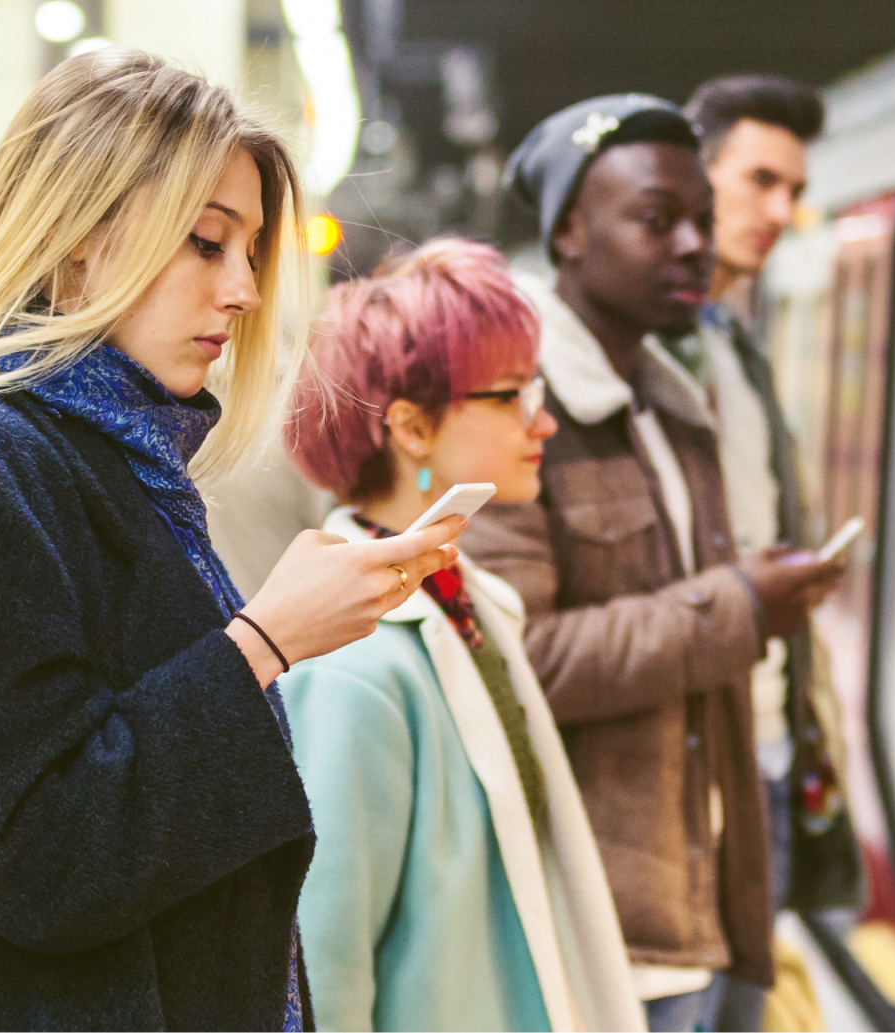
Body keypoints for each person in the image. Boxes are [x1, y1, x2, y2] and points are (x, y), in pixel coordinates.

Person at [0, 49, 466, 1029]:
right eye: (207, 243)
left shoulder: (114, 461)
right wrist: (264, 643)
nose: (245, 290)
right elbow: (36, 856)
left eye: (252, 251)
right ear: (80, 238)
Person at [469, 93, 845, 1032]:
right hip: (608, 925)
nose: (692, 245)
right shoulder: (514, 410)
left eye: (700, 221)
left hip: (711, 901)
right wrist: (740, 608)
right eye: (655, 219)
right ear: (567, 231)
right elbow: (524, 659)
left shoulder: (677, 406)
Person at [278, 238, 644, 1032]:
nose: (543, 419)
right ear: (410, 426)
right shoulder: (353, 664)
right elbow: (326, 971)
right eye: (511, 393)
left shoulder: (463, 601)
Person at [682, 73, 863, 1032]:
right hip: (698, 768)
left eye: (795, 190)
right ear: (691, 176)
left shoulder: (735, 346)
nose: (783, 213)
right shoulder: (648, 354)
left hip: (766, 744)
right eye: (761, 181)